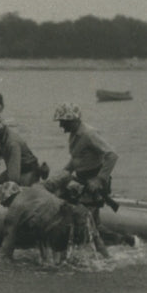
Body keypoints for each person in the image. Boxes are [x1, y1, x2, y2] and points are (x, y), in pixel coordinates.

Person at [46, 102, 119, 254]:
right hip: (82, 181)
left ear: (72, 120)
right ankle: (123, 242)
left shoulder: (88, 134)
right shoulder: (75, 135)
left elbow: (111, 155)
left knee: (88, 224)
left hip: (94, 184)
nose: (61, 126)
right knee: (92, 224)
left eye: (62, 122)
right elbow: (77, 158)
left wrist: (99, 180)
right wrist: (63, 173)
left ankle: (107, 255)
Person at [0, 181, 86, 264]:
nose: (7, 208)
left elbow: (7, 248)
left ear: (7, 200)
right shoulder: (37, 187)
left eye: (5, 205)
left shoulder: (13, 212)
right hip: (73, 214)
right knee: (70, 261)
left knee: (53, 265)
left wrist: (3, 261)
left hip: (55, 227)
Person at [0, 113, 46, 189]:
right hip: (20, 170)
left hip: (28, 173)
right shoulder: (4, 136)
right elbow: (1, 147)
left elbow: (14, 177)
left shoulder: (12, 144)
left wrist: (5, 187)